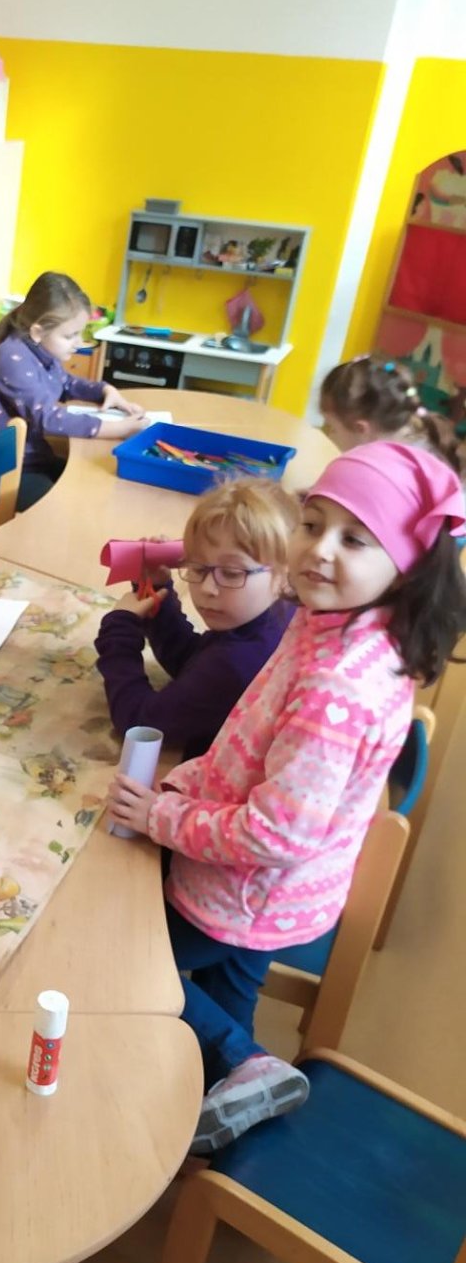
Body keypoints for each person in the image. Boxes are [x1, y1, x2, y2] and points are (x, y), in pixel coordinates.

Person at [108, 442, 466, 1152]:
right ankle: (230, 1104)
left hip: (247, 887)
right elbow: (258, 743)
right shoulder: (339, 621)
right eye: (313, 525)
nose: (320, 551)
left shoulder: (337, 685)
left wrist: (163, 815)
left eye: (355, 539)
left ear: (405, 565)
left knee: (119, 951)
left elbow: (275, 834)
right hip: (281, 893)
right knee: (228, 989)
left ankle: (242, 1063)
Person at [95, 480, 298, 760]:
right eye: (197, 567)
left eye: (231, 573)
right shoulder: (274, 614)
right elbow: (195, 663)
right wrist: (157, 592)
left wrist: (119, 631)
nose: (207, 588)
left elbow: (139, 725)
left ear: (286, 575)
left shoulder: (238, 662)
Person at [0, 271, 148, 511]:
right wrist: (120, 428)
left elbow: (66, 383)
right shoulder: (13, 357)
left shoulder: (41, 350)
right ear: (37, 331)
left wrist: (105, 390)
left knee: (92, 483)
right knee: (66, 506)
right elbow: (49, 419)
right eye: (70, 335)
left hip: (29, 459)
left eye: (80, 333)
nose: (78, 343)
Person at [320, 354, 461, 475]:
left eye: (333, 429)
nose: (330, 436)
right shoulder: (415, 440)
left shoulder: (389, 471)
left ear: (361, 428)